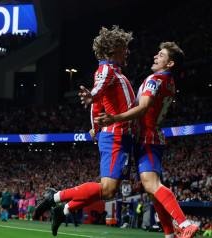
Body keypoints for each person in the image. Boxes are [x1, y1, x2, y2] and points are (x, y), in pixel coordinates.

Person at [33, 25, 135, 236]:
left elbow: (98, 105)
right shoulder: (107, 69)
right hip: (116, 135)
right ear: (113, 49)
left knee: (110, 191)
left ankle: (64, 209)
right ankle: (55, 198)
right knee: (107, 190)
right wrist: (91, 97)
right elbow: (97, 93)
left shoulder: (115, 72)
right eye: (125, 48)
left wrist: (94, 127)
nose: (128, 52)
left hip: (121, 136)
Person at [95, 42, 198, 238]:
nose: (155, 57)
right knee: (153, 193)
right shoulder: (170, 83)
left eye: (161, 55)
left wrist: (114, 118)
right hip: (153, 137)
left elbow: (142, 109)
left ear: (170, 64)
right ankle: (169, 234)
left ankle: (184, 223)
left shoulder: (155, 79)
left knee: (152, 185)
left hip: (147, 138)